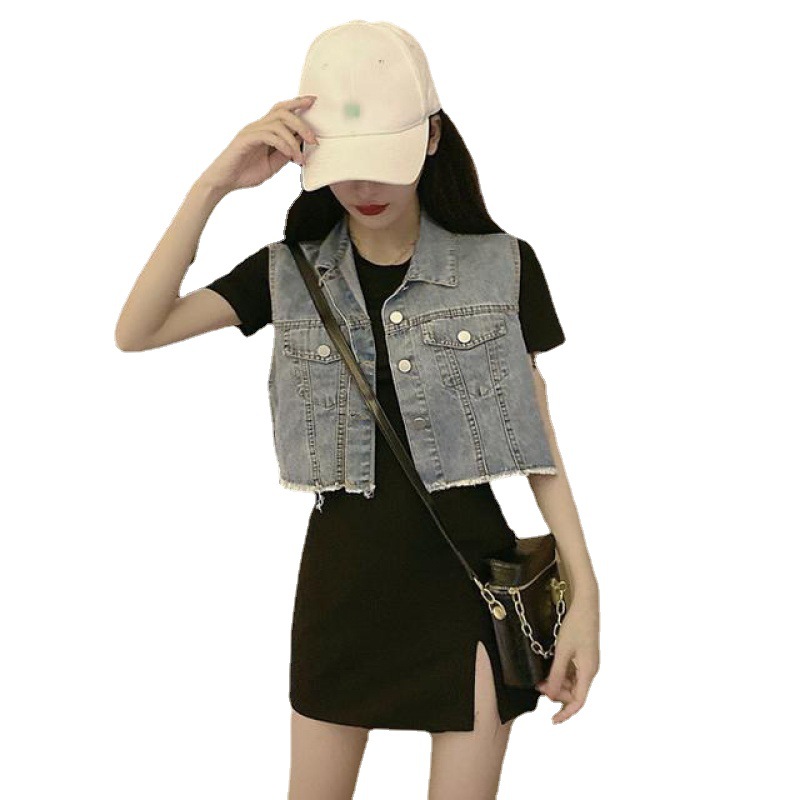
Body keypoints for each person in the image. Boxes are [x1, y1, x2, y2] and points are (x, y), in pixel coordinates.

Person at [115, 20, 600, 800]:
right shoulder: (288, 273)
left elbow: (538, 440)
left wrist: (586, 599)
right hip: (341, 594)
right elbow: (137, 331)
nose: (365, 188)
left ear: (432, 139)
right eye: (346, 167)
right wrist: (214, 183)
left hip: (469, 587)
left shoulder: (503, 265)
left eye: (385, 162)